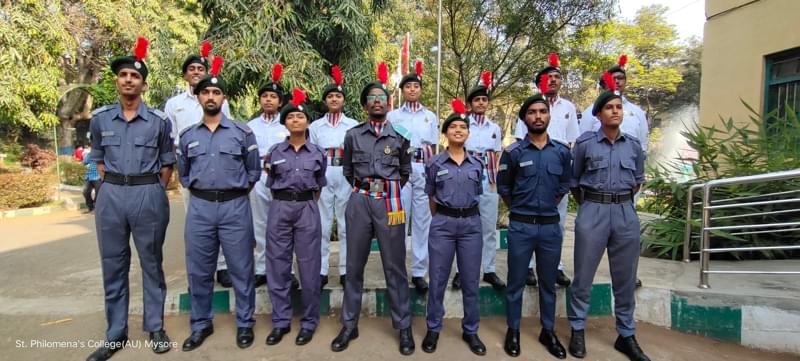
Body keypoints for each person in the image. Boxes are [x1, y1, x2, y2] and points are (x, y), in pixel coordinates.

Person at [86, 37, 174, 361]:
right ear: (116, 81)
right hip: (110, 195)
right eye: (123, 75)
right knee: (113, 265)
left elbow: (167, 163)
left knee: (151, 263)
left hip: (147, 193)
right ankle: (115, 334)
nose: (128, 80)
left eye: (134, 76)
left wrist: (153, 191)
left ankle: (155, 326)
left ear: (143, 84)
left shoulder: (159, 121)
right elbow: (94, 160)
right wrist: (100, 190)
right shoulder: (100, 119)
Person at [176, 57, 260, 351]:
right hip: (200, 208)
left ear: (224, 98)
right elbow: (183, 174)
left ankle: (245, 323)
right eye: (205, 93)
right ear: (199, 97)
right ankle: (201, 324)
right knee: (199, 269)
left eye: (216, 93)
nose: (210, 97)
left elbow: (253, 172)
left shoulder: (242, 132)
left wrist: (232, 192)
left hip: (234, 206)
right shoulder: (188, 136)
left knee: (241, 267)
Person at [331, 63, 415, 355]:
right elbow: (347, 170)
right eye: (371, 98)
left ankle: (403, 326)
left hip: (390, 203)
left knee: (395, 267)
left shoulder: (401, 136)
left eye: (381, 97)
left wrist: (386, 189)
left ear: (389, 104)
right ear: (365, 105)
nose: (377, 101)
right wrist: (367, 190)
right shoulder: (353, 135)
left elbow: (404, 171)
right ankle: (349, 324)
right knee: (354, 266)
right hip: (360, 202)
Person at [567, 72, 650, 361]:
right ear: (599, 114)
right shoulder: (586, 144)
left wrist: (620, 202)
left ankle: (626, 334)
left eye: (618, 107)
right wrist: (592, 205)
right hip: (593, 210)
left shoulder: (633, 146)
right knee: (584, 275)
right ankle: (577, 328)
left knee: (625, 278)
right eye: (609, 108)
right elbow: (574, 181)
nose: (615, 111)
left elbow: (638, 179)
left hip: (626, 212)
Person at [498, 79, 572, 359]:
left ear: (548, 116)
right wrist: (522, 208)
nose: (538, 116)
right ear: (524, 119)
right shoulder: (514, 152)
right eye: (532, 112)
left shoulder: (562, 153)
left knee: (548, 282)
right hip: (521, 227)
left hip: (550, 229)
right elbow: (504, 187)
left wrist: (547, 206)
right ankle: (513, 330)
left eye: (542, 111)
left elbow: (565, 185)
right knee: (516, 281)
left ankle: (548, 330)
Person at [163, 40, 233, 287]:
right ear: (185, 74)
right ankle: (203, 268)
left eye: (199, 69)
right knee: (197, 222)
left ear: (207, 73)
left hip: (220, 169)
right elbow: (170, 140)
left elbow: (230, 132)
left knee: (223, 219)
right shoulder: (174, 105)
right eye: (191, 69)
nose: (195, 72)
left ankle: (223, 267)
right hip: (192, 170)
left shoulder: (221, 101)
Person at [421, 98, 487, 356]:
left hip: (471, 223)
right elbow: (431, 197)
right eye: (453, 127)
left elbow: (478, 193)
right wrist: (443, 218)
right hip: (443, 224)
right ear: (446, 133)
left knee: (471, 280)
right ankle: (433, 328)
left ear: (468, 133)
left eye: (463, 127)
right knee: (437, 279)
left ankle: (471, 330)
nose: (458, 130)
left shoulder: (477, 164)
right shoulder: (435, 163)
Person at [263, 88, 327, 346]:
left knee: (309, 266)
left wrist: (306, 204)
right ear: (285, 123)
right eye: (290, 118)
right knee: (277, 266)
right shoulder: (274, 152)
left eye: (300, 118)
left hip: (307, 209)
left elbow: (319, 185)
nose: (296, 121)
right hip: (279, 208)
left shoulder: (318, 153)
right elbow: (270, 181)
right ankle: (280, 321)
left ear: (307, 122)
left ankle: (309, 322)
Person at [579, 55, 648, 288]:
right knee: (586, 264)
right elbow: (578, 166)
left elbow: (642, 149)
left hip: (625, 193)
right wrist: (589, 201)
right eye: (613, 78)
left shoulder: (637, 113)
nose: (617, 82)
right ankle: (578, 322)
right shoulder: (591, 112)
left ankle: (629, 277)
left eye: (621, 78)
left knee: (626, 253)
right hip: (595, 200)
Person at [513, 53, 577, 288]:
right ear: (539, 82)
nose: (553, 80)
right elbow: (520, 143)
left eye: (557, 77)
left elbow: (573, 141)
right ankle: (529, 267)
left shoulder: (568, 107)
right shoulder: (530, 107)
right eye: (548, 77)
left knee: (557, 221)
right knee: (528, 219)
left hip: (557, 167)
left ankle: (555, 266)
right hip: (530, 167)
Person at [387, 60, 439, 293]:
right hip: (401, 171)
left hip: (423, 169)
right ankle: (398, 270)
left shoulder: (431, 116)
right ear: (402, 90)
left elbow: (435, 149)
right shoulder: (393, 116)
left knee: (422, 222)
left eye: (416, 86)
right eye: (408, 86)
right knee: (399, 220)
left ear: (420, 89)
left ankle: (419, 272)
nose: (412, 90)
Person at [247, 64, 299, 290]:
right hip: (259, 177)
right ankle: (261, 269)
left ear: (280, 101)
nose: (268, 100)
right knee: (260, 224)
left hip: (283, 179)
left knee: (284, 226)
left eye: (273, 97)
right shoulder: (249, 126)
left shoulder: (288, 124)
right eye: (265, 96)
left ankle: (288, 270)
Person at [453, 70, 505, 291]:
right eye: (477, 100)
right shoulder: (463, 125)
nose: (481, 103)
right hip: (466, 178)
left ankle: (489, 269)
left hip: (488, 179)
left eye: (484, 99)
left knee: (488, 226)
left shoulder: (495, 128)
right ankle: (459, 271)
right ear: (470, 103)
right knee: (462, 225)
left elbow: (498, 155)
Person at [309, 65, 359, 289]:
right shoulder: (315, 126)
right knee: (322, 224)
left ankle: (345, 270)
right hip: (324, 171)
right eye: (330, 96)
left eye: (338, 95)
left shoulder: (353, 125)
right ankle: (320, 270)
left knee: (347, 224)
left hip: (345, 172)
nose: (334, 99)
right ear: (325, 101)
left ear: (343, 100)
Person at [82, 144, 100, 213]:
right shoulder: (90, 154)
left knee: (98, 193)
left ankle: (96, 208)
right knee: (85, 192)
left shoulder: (103, 154)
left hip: (98, 176)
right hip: (89, 176)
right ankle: (90, 207)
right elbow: (84, 162)